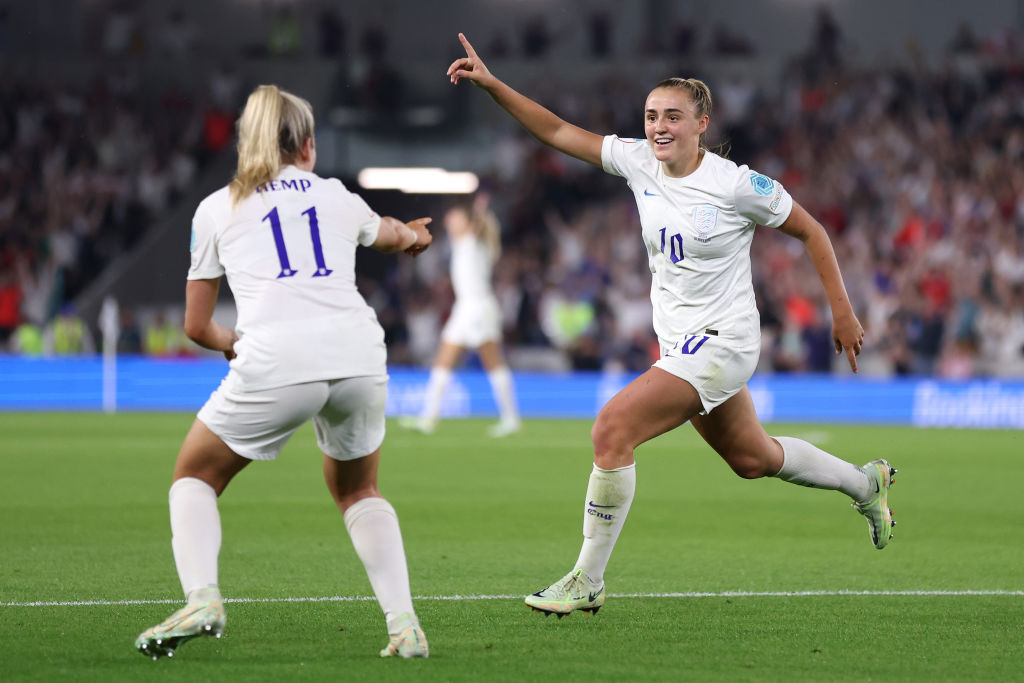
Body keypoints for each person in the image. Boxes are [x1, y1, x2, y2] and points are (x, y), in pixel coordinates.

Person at [446, 33, 898, 617]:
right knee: (753, 459)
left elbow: (812, 230)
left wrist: (842, 308)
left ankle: (587, 579)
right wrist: (493, 84)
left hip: (724, 343)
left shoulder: (737, 184)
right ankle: (866, 485)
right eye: (651, 116)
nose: (659, 127)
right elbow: (558, 131)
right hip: (682, 346)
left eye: (673, 117)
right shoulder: (639, 162)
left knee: (611, 429)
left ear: (701, 123)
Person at [134, 85, 433, 659]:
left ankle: (203, 597)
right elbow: (395, 234)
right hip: (358, 353)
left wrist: (232, 344)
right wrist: (418, 235)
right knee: (359, 491)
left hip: (277, 357)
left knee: (194, 476)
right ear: (310, 146)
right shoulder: (338, 196)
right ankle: (405, 626)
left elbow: (197, 327)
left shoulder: (217, 207)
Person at [404, 195, 521, 437]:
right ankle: (429, 419)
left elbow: (483, 228)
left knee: (493, 363)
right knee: (444, 361)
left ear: (468, 224)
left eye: (455, 221)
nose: (450, 225)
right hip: (465, 309)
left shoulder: (472, 242)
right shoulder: (462, 245)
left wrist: (480, 213)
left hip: (478, 309)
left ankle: (511, 419)